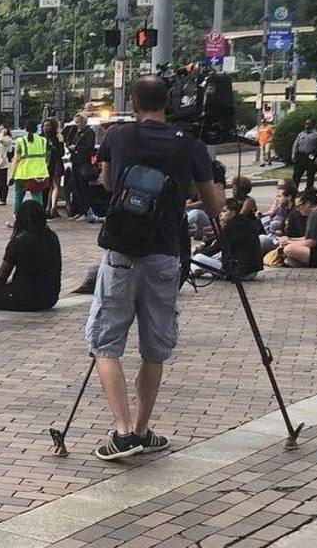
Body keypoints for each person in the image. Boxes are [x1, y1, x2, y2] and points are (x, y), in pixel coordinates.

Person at [87, 76, 221, 461]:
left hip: (122, 251)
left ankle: (122, 431)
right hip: (165, 253)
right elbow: (212, 207)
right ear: (169, 103)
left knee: (105, 344)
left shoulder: (118, 136)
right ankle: (143, 430)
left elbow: (109, 184)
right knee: (155, 348)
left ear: (133, 100)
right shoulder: (189, 145)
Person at [0, 200, 61, 312]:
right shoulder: (52, 236)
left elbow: (1, 276)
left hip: (25, 299)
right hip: (50, 297)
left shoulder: (20, 240)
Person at [192, 198, 264, 279]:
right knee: (212, 257)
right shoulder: (243, 222)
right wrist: (204, 244)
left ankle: (192, 270)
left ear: (233, 213)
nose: (220, 214)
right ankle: (196, 269)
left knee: (198, 258)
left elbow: (216, 248)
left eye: (224, 211)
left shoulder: (233, 226)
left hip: (239, 272)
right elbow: (218, 238)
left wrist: (198, 252)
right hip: (250, 270)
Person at [7, 120, 49, 228]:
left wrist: (11, 176)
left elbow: (16, 159)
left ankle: (17, 220)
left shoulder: (21, 141)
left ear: (25, 129)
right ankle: (41, 221)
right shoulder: (43, 140)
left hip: (23, 173)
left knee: (18, 197)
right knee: (37, 198)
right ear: (37, 128)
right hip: (39, 173)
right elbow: (45, 157)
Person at [281, 190, 317, 268]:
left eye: (298, 206)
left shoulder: (315, 215)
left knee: (288, 249)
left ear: (308, 204)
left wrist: (288, 243)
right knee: (290, 259)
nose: (297, 210)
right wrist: (290, 239)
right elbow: (308, 238)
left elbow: (311, 242)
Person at [64, 113, 97, 220]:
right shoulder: (75, 132)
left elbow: (89, 147)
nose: (77, 124)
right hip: (75, 162)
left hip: (84, 162)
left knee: (83, 187)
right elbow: (69, 141)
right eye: (76, 122)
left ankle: (86, 211)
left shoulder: (89, 132)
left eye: (79, 122)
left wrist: (77, 149)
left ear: (84, 122)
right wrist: (70, 147)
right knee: (75, 186)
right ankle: (79, 210)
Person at [291, 119, 317, 193]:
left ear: (313, 125)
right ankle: (294, 190)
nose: (307, 126)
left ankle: (308, 190)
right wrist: (293, 155)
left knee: (310, 175)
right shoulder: (301, 134)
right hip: (300, 156)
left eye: (309, 124)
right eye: (306, 124)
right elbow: (295, 145)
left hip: (310, 156)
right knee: (296, 174)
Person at [43, 118, 65, 218]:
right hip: (45, 165)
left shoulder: (56, 138)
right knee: (51, 186)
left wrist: (60, 143)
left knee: (54, 185)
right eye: (44, 126)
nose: (45, 128)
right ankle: (50, 208)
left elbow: (61, 153)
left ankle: (51, 208)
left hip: (54, 163)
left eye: (48, 126)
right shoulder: (42, 138)